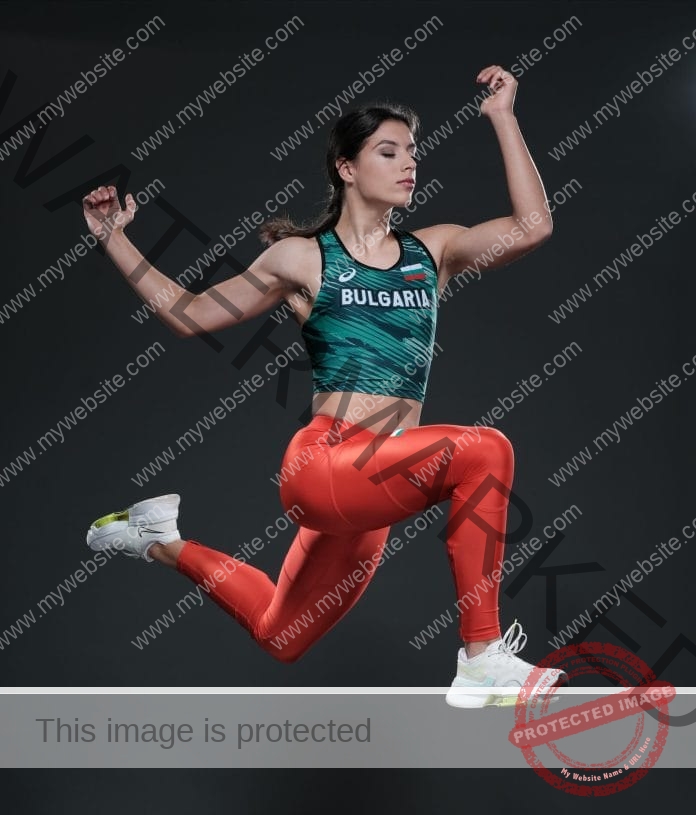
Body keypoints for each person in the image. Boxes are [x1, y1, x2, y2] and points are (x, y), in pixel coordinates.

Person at [82, 65, 565, 707]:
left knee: (282, 635)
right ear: (345, 167)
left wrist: (503, 116)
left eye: (413, 152)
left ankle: (157, 539)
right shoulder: (304, 257)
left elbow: (532, 226)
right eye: (388, 152)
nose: (408, 164)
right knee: (487, 450)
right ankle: (481, 657)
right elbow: (191, 313)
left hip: (380, 483)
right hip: (325, 463)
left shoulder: (433, 251)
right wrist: (115, 239)